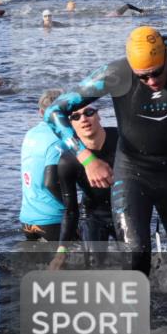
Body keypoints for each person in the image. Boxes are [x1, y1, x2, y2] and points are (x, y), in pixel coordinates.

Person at [43, 26, 167, 307]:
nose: (150, 80)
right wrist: (87, 158)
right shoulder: (117, 73)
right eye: (142, 76)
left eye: (156, 72)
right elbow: (54, 112)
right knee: (136, 251)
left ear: (166, 58)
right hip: (134, 172)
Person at [20, 89, 79, 245]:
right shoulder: (58, 138)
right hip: (52, 220)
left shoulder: (30, 134)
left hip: (27, 219)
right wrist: (73, 210)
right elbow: (50, 183)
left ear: (41, 112)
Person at [57, 104, 119, 250]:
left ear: (98, 115)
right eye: (76, 117)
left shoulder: (121, 140)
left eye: (89, 112)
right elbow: (70, 210)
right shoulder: (68, 161)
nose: (83, 119)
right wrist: (62, 250)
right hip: (93, 214)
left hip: (126, 211)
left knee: (136, 261)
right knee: (93, 264)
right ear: (70, 125)